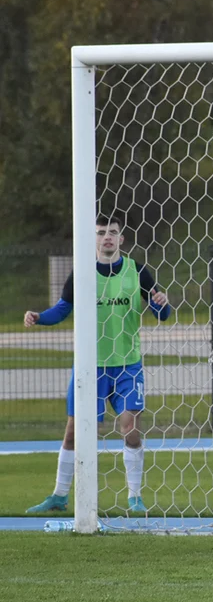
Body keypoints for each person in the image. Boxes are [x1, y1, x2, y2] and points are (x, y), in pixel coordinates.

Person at [25, 214, 172, 514]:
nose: (107, 237)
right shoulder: (81, 273)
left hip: (128, 366)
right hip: (90, 368)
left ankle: (134, 497)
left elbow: (162, 313)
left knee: (130, 428)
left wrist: (163, 305)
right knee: (74, 432)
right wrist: (39, 317)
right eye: (101, 232)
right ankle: (59, 496)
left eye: (113, 232)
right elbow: (62, 310)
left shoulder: (138, 271)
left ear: (122, 239)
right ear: (93, 238)